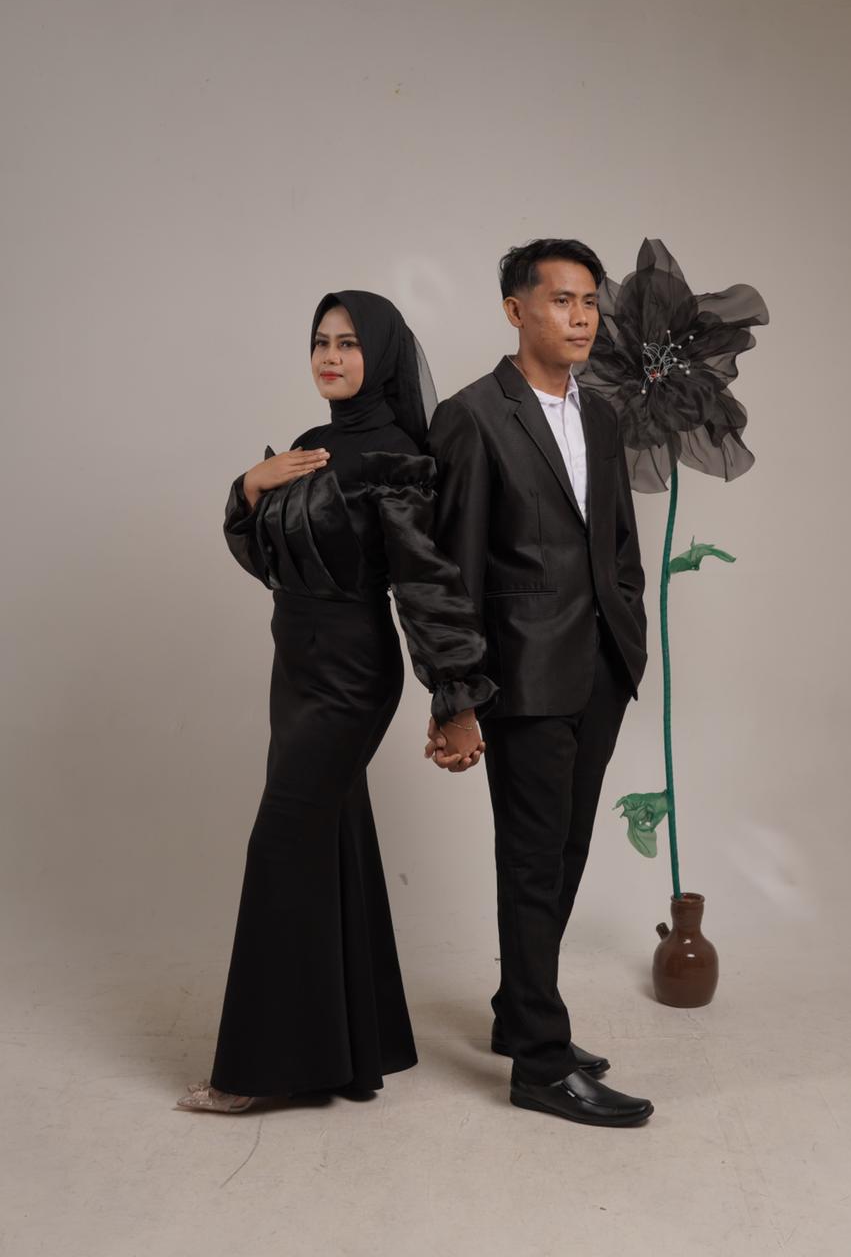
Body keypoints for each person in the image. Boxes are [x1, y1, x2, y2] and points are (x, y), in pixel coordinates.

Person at [177, 291, 496, 1113]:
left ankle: (252, 1073)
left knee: (282, 844)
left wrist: (456, 700)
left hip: (350, 673)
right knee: (332, 838)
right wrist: (249, 485)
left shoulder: (396, 456)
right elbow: (273, 560)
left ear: (380, 355)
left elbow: (426, 586)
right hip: (294, 666)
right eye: (320, 341)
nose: (330, 356)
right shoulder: (311, 446)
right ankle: (359, 1050)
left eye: (349, 343)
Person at [425, 240, 655, 1127]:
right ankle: (541, 1066)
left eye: (590, 301)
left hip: (599, 669)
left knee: (566, 851)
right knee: (530, 862)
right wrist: (456, 697)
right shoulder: (473, 416)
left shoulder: (602, 417)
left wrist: (626, 633)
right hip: (519, 678)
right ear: (516, 310)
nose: (582, 316)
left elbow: (619, 544)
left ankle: (518, 1013)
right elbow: (449, 571)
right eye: (562, 300)